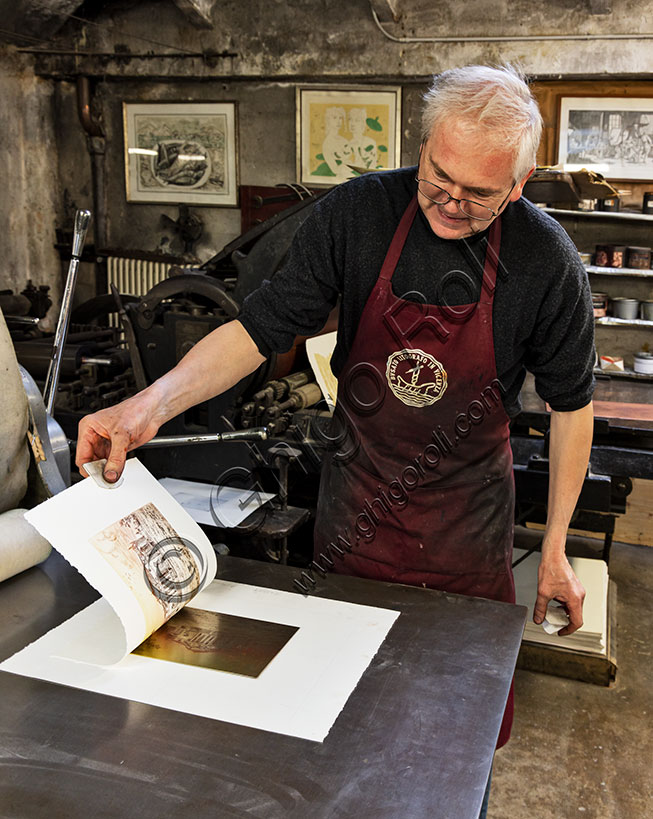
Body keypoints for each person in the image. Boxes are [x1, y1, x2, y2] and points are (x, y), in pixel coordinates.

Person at [77, 65, 594, 818]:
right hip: (356, 514)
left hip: (465, 534)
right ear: (421, 146)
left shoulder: (545, 260)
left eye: (478, 194)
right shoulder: (357, 216)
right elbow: (258, 330)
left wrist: (553, 548)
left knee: (450, 747)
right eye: (436, 177)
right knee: (339, 731)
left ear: (518, 184)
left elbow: (570, 406)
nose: (450, 203)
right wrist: (145, 407)